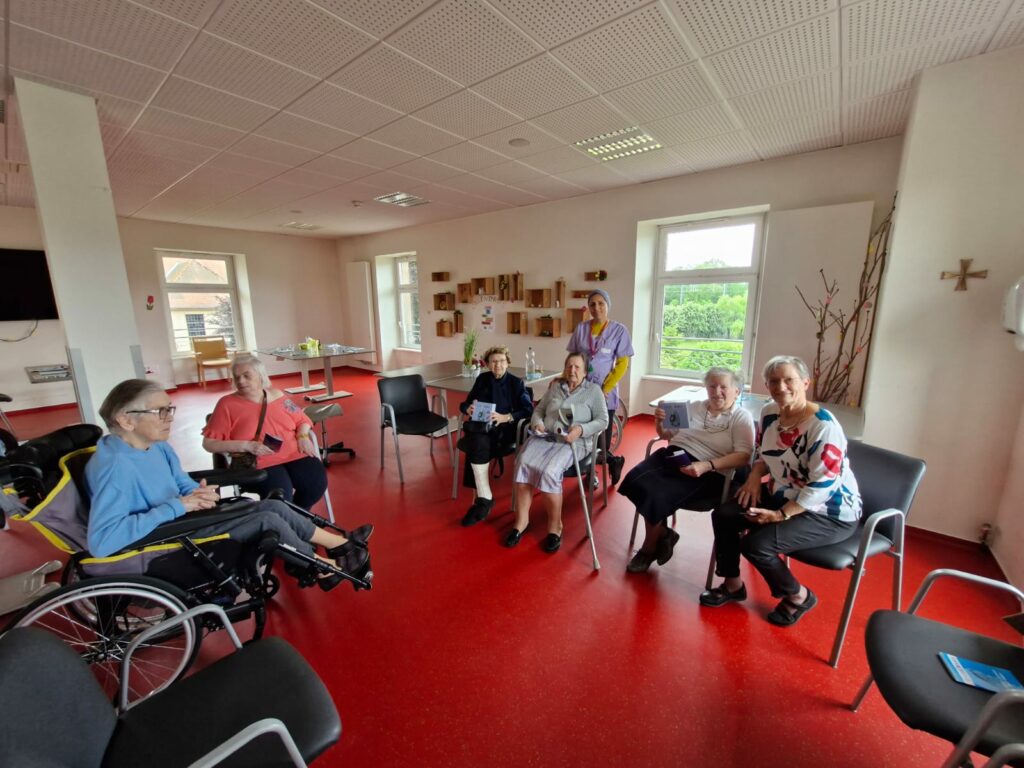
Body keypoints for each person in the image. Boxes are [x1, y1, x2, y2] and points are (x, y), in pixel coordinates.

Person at [85, 379, 372, 591]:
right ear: (126, 419)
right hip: (167, 537)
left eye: (169, 409)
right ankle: (327, 568)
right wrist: (178, 505)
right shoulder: (115, 467)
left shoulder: (155, 446)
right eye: (160, 412)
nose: (169, 418)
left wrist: (193, 492)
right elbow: (103, 542)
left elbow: (180, 481)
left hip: (184, 518)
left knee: (272, 504)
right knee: (265, 519)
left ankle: (342, 545)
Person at [700, 356, 861, 626]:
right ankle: (732, 584)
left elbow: (821, 486)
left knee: (756, 545)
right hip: (784, 493)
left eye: (789, 380)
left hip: (828, 510)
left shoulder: (823, 426)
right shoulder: (770, 412)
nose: (781, 387)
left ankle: (798, 596)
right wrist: (753, 477)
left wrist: (780, 516)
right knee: (725, 514)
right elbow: (765, 454)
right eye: (774, 381)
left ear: (806, 383)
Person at [621, 367, 754, 573]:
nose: (717, 391)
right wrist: (659, 423)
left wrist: (707, 465)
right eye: (712, 386)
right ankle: (664, 534)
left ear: (737, 391)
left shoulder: (740, 417)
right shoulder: (693, 407)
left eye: (723, 387)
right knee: (634, 480)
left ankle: (649, 547)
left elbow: (744, 456)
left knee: (655, 493)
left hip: (710, 469)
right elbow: (667, 434)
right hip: (675, 455)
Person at [507, 352, 608, 553]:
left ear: (585, 371)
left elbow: (603, 420)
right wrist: (538, 423)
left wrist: (581, 430)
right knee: (522, 463)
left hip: (573, 442)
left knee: (550, 472)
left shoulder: (594, 391)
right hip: (546, 437)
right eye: (569, 366)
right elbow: (539, 410)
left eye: (577, 367)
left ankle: (555, 528)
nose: (572, 371)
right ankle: (521, 521)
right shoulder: (555, 387)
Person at [203, 354, 327, 510]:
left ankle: (296, 520)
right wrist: (247, 446)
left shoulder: (277, 395)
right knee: (281, 496)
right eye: (237, 377)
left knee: (315, 484)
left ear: (261, 376)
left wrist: (302, 436)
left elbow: (302, 420)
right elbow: (209, 444)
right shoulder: (226, 404)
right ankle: (292, 522)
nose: (241, 381)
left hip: (294, 452)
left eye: (247, 376)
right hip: (258, 461)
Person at [457, 345, 534, 527]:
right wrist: (467, 408)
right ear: (488, 364)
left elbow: (528, 409)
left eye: (501, 361)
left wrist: (506, 417)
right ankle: (484, 499)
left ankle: (483, 500)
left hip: (505, 431)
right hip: (483, 428)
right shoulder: (482, 379)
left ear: (507, 363)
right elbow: (466, 403)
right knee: (478, 438)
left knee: (476, 441)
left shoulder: (516, 383)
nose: (497, 365)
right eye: (493, 361)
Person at [566, 289, 634, 485]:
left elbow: (622, 364)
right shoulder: (581, 329)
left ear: (607, 305)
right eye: (592, 304)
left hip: (605, 391)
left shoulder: (619, 330)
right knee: (583, 432)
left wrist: (604, 390)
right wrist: (566, 379)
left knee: (602, 438)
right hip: (582, 390)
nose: (596, 308)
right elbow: (572, 358)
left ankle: (612, 461)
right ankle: (591, 474)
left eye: (601, 303)